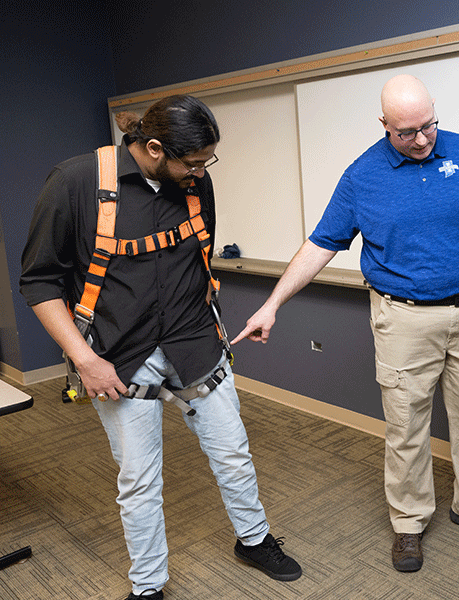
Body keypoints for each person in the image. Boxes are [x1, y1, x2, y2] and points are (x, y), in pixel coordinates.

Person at [231, 74, 459, 573]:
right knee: (407, 426)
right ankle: (409, 523)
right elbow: (321, 243)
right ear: (384, 124)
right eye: (406, 132)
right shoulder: (362, 175)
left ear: (435, 110)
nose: (422, 139)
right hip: (403, 319)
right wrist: (272, 303)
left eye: (428, 126)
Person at [20, 95, 302, 600]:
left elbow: (198, 257)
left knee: (233, 453)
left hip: (195, 341)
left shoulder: (195, 183)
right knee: (140, 479)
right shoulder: (76, 182)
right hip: (118, 356)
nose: (200, 172)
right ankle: (148, 586)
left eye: (204, 163)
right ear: (153, 147)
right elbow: (39, 283)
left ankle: (254, 539)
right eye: (192, 162)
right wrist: (86, 361)